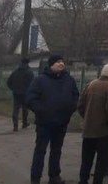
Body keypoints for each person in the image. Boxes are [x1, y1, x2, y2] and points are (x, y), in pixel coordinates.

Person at [26, 54, 80, 184]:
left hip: (61, 122)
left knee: (56, 150)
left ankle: (54, 176)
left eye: (62, 61)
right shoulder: (40, 80)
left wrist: (70, 110)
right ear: (51, 65)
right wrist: (43, 112)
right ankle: (35, 177)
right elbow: (31, 99)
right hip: (45, 123)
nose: (61, 64)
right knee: (40, 150)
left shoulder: (69, 80)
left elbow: (75, 96)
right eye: (58, 62)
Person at [77, 63, 108, 184]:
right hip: (104, 132)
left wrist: (88, 118)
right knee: (102, 160)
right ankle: (97, 181)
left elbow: (80, 106)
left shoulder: (90, 84)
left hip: (88, 130)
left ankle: (83, 181)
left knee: (86, 159)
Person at [6, 58, 35, 132]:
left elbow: (8, 82)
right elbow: (33, 84)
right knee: (25, 109)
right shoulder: (29, 72)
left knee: (15, 109)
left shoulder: (15, 72)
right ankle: (24, 123)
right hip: (26, 93)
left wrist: (13, 88)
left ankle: (15, 125)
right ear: (27, 63)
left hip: (16, 93)